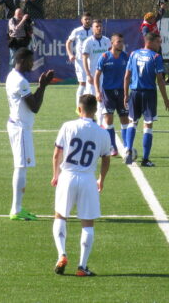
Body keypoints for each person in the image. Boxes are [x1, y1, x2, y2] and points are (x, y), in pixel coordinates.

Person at [51, 94, 111, 277]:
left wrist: (56, 175)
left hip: (67, 176)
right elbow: (106, 159)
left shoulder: (68, 126)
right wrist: (101, 179)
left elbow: (56, 154)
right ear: (95, 111)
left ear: (79, 108)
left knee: (60, 216)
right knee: (88, 222)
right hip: (87, 178)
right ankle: (82, 266)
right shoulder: (102, 132)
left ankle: (62, 254)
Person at [5, 48, 54, 221]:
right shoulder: (21, 81)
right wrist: (42, 87)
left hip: (16, 125)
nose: (33, 64)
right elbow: (35, 107)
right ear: (24, 60)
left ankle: (17, 208)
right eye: (31, 60)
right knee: (21, 167)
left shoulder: (12, 76)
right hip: (20, 128)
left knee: (21, 166)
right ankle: (16, 210)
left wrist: (41, 87)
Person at [123, 32, 169, 167]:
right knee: (148, 125)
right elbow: (160, 80)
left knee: (132, 122)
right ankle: (145, 160)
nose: (160, 45)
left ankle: (128, 151)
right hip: (149, 94)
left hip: (134, 92)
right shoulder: (156, 57)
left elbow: (127, 76)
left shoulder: (134, 54)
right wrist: (165, 99)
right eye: (158, 42)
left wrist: (125, 94)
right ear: (149, 42)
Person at [94, 33, 129, 157]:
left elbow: (130, 76)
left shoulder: (126, 57)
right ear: (112, 43)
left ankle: (126, 147)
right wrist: (98, 92)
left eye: (122, 42)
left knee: (124, 119)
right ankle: (112, 146)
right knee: (108, 119)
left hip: (122, 92)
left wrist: (128, 93)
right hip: (108, 93)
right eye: (118, 42)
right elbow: (97, 76)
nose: (121, 44)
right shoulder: (104, 57)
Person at [82, 19, 111, 124]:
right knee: (91, 100)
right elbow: (84, 59)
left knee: (103, 101)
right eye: (96, 26)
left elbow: (110, 57)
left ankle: (100, 123)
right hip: (93, 76)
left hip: (105, 76)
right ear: (92, 28)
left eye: (100, 26)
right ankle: (87, 121)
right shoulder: (88, 42)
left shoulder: (107, 41)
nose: (99, 28)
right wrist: (88, 74)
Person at [65, 12, 93, 107]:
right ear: (82, 20)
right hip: (80, 60)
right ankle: (79, 107)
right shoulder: (77, 31)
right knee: (83, 83)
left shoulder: (94, 31)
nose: (88, 21)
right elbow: (68, 42)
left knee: (91, 83)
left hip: (91, 61)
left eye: (89, 19)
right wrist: (70, 54)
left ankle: (88, 106)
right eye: (86, 19)